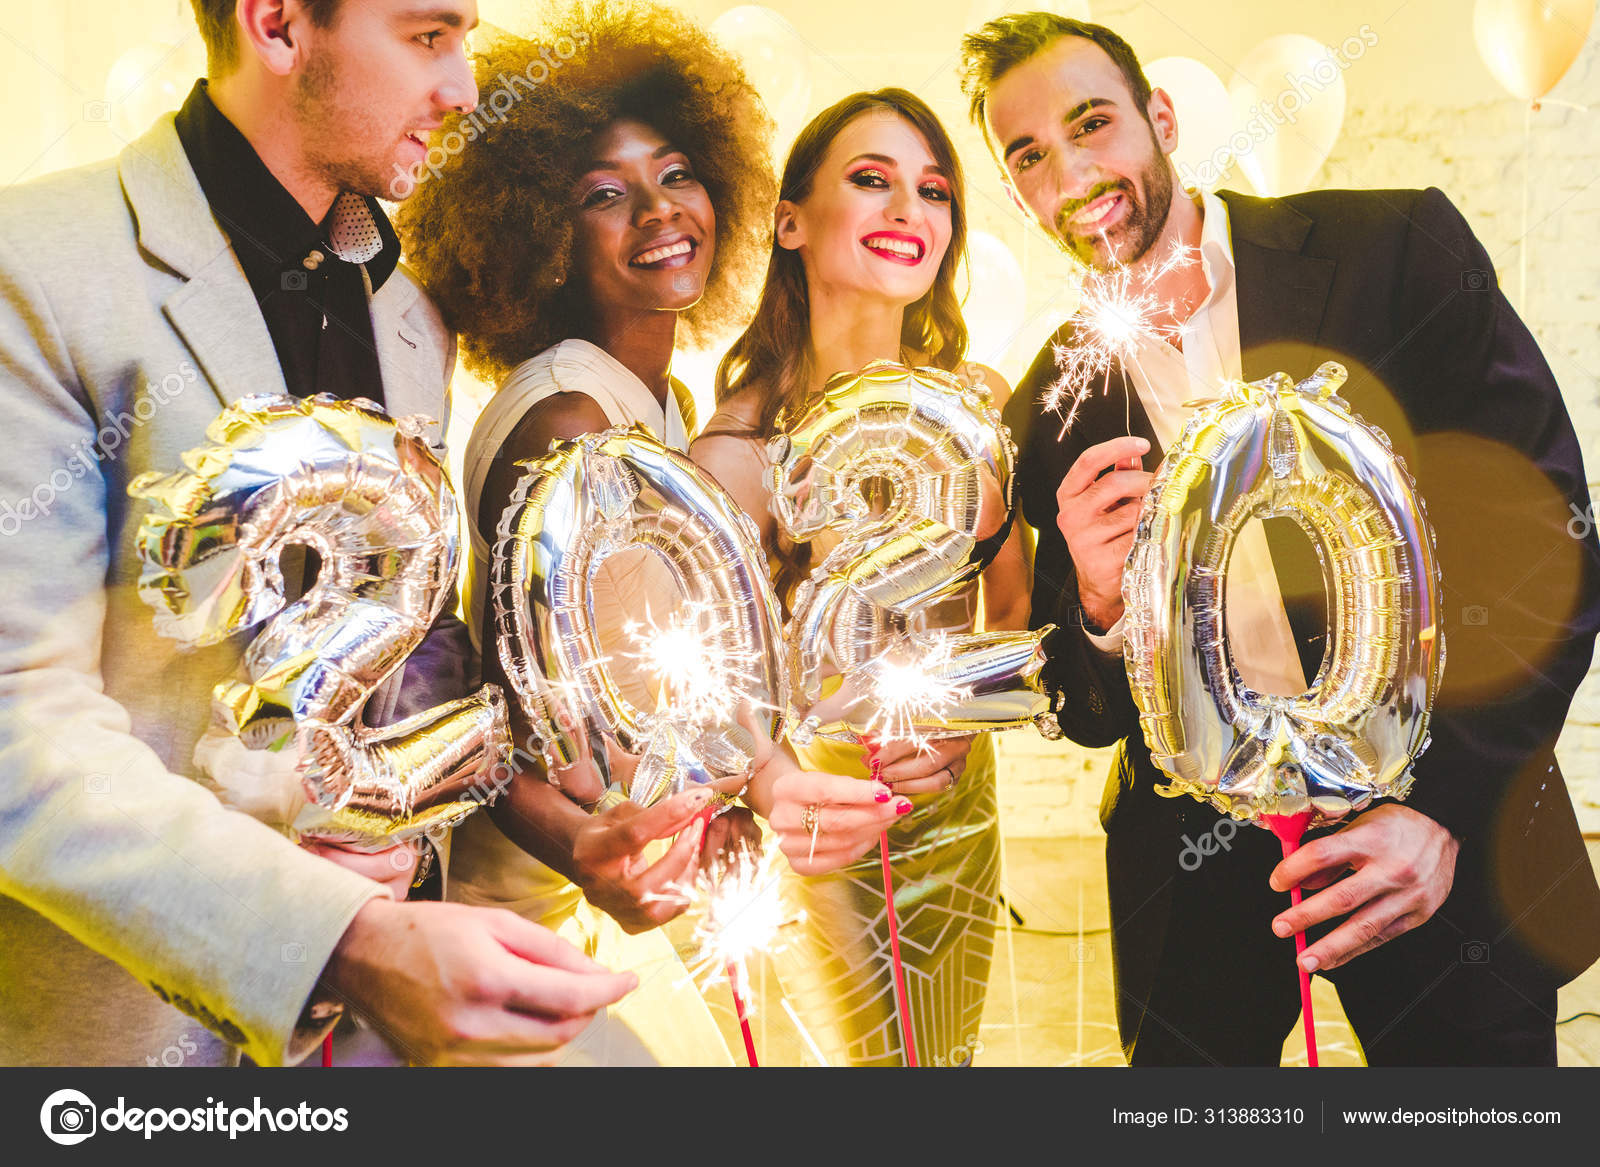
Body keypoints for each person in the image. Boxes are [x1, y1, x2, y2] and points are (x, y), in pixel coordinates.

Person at [0, 0, 637, 1068]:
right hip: (126, 1048)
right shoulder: (35, 266)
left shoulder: (409, 315)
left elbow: (412, 675)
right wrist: (338, 942)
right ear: (279, 23)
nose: (466, 89)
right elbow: (18, 725)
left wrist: (576, 839)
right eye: (430, 36)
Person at [958, 13, 1600, 1065]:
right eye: (1028, 154)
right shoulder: (1052, 404)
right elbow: (1078, 705)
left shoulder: (1390, 245)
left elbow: (1546, 548)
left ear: (1158, 118)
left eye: (1091, 124)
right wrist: (1102, 608)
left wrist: (1435, 812)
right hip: (1193, 875)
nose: (1071, 173)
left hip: (1439, 832)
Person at [397, 1, 783, 1065]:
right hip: (533, 910)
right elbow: (510, 716)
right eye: (604, 196)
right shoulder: (566, 419)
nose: (659, 212)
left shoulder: (655, 399)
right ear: (544, 239)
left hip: (629, 874)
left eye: (676, 174)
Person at [691, 88, 1030, 1068]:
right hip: (817, 835)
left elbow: (1009, 608)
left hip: (959, 815)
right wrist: (775, 783)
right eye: (871, 180)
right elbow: (706, 692)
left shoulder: (977, 405)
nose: (906, 210)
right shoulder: (738, 451)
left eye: (933, 191)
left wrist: (966, 718)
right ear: (789, 221)